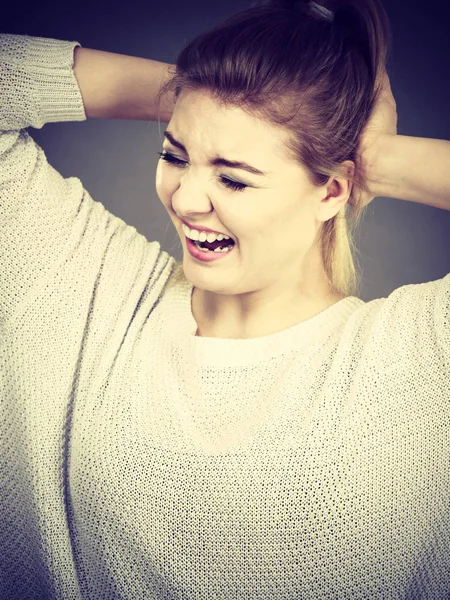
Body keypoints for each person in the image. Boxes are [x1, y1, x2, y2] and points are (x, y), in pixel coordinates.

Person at [0, 0, 449, 598]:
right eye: (174, 155)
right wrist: (190, 93)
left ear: (333, 191)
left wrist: (380, 162)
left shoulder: (418, 356)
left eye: (232, 177)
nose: (186, 199)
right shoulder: (96, 288)